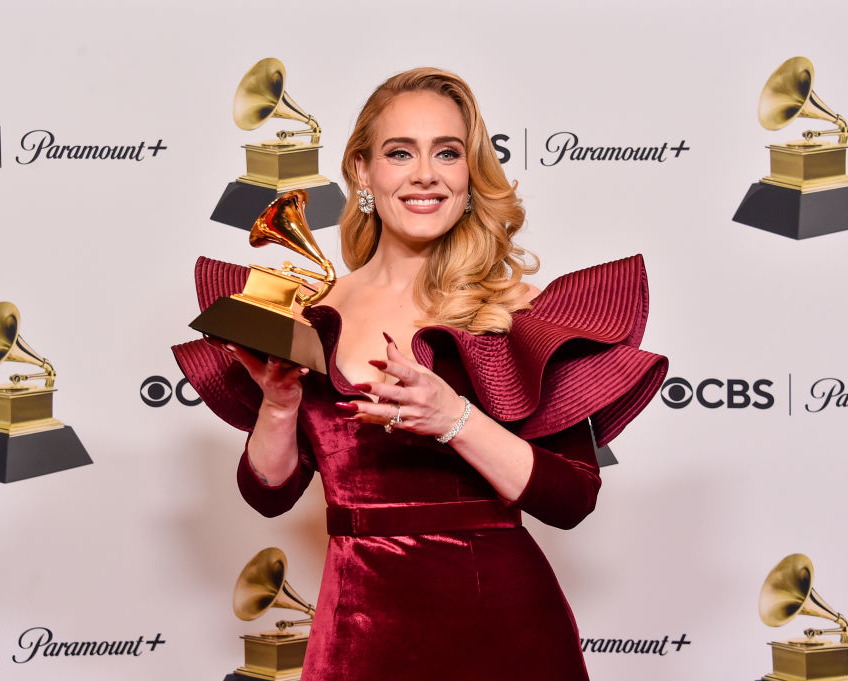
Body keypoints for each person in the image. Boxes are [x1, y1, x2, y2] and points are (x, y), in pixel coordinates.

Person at [174, 67, 667, 681]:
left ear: (469, 174)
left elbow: (573, 499)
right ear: (362, 171)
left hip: (506, 633)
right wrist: (277, 405)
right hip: (359, 634)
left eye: (448, 153)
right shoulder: (311, 314)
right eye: (399, 152)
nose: (425, 174)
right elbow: (268, 496)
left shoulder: (514, 313)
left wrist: (454, 419)